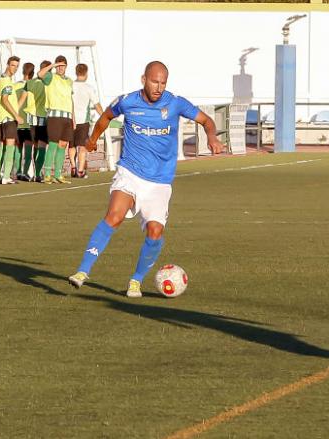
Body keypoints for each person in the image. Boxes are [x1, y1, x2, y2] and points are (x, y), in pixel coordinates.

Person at [68, 61, 224, 297]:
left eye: (163, 82)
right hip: (130, 172)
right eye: (154, 81)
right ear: (144, 79)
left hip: (159, 182)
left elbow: (206, 121)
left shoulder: (175, 103)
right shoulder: (127, 101)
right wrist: (92, 139)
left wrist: (211, 137)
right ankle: (82, 271)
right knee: (115, 215)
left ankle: (135, 281)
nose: (159, 87)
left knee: (155, 232)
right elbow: (105, 117)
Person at [38, 55, 73, 184]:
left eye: (62, 65)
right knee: (52, 144)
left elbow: (71, 99)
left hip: (67, 116)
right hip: (55, 115)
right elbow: (40, 74)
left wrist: (73, 118)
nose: (60, 68)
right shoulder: (50, 77)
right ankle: (47, 174)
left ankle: (58, 174)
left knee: (63, 145)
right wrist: (52, 66)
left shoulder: (69, 80)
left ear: (66, 66)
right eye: (58, 66)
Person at [0, 56, 23, 184]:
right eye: (13, 65)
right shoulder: (6, 81)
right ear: (7, 64)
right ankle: (6, 176)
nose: (15, 68)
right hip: (8, 118)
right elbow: (5, 99)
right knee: (10, 147)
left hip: (0, 119)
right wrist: (16, 116)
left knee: (2, 147)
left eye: (17, 66)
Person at [70, 63, 103, 178]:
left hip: (71, 119)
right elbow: (96, 104)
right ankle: (80, 171)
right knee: (82, 147)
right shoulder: (89, 88)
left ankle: (73, 167)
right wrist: (104, 116)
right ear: (86, 73)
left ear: (76, 72)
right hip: (83, 121)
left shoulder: (70, 85)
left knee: (72, 145)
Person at [23, 60, 51, 182]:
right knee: (42, 146)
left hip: (29, 118)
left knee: (30, 146)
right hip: (42, 118)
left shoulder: (29, 83)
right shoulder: (48, 84)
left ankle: (27, 173)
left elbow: (22, 99)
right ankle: (38, 174)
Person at [14, 63, 35, 181]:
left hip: (17, 121)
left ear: (22, 71)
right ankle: (26, 172)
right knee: (28, 149)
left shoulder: (15, 85)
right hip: (28, 122)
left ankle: (17, 172)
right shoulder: (33, 86)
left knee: (18, 148)